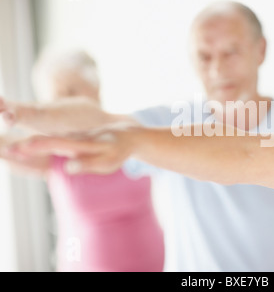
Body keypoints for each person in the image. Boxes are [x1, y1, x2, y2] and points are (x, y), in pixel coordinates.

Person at [4, 2, 274, 271]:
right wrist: (23, 112)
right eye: (204, 56)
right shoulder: (168, 123)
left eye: (231, 52)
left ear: (261, 50)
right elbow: (99, 120)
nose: (217, 69)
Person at [0, 49, 165, 272]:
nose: (64, 104)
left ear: (96, 89)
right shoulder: (49, 151)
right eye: (55, 98)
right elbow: (8, 147)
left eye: (71, 92)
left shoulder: (132, 133)